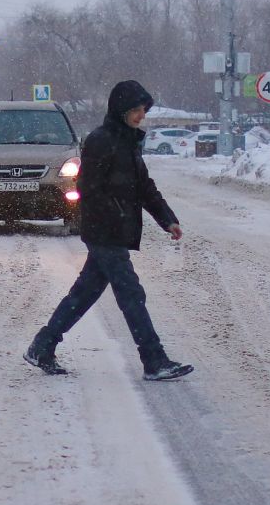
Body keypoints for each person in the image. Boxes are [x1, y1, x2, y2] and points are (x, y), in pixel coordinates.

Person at [25, 80, 193, 381]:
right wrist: (113, 212)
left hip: (115, 231)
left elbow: (144, 187)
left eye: (144, 110)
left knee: (85, 292)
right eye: (137, 110)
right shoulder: (100, 141)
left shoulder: (128, 142)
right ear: (122, 110)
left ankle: (43, 345)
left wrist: (167, 219)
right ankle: (154, 360)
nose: (142, 115)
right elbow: (87, 187)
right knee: (131, 293)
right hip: (104, 232)